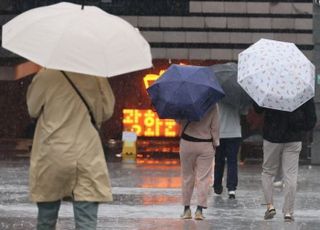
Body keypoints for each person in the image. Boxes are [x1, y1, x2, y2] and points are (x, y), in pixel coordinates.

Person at [27, 68, 115, 230]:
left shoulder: (45, 75)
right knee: (86, 218)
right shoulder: (96, 76)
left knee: (47, 216)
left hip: (52, 150)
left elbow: (33, 109)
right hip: (86, 151)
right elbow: (106, 111)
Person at [254, 98, 316, 222]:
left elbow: (258, 109)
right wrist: (298, 126)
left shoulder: (270, 88)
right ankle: (288, 212)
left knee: (268, 172)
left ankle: (270, 206)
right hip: (293, 138)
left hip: (272, 136)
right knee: (291, 175)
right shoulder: (301, 91)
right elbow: (311, 121)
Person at [179, 104, 220, 220]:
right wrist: (216, 142)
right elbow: (215, 126)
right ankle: (199, 210)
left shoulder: (185, 101)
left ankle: (186, 209)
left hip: (187, 142)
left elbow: (178, 120)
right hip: (205, 143)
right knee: (204, 178)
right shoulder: (213, 104)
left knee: (187, 176)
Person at [213, 103, 243, 199]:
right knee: (232, 161)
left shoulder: (217, 97)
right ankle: (231, 188)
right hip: (234, 133)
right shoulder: (238, 96)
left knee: (219, 161)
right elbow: (244, 111)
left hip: (220, 133)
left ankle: (217, 185)